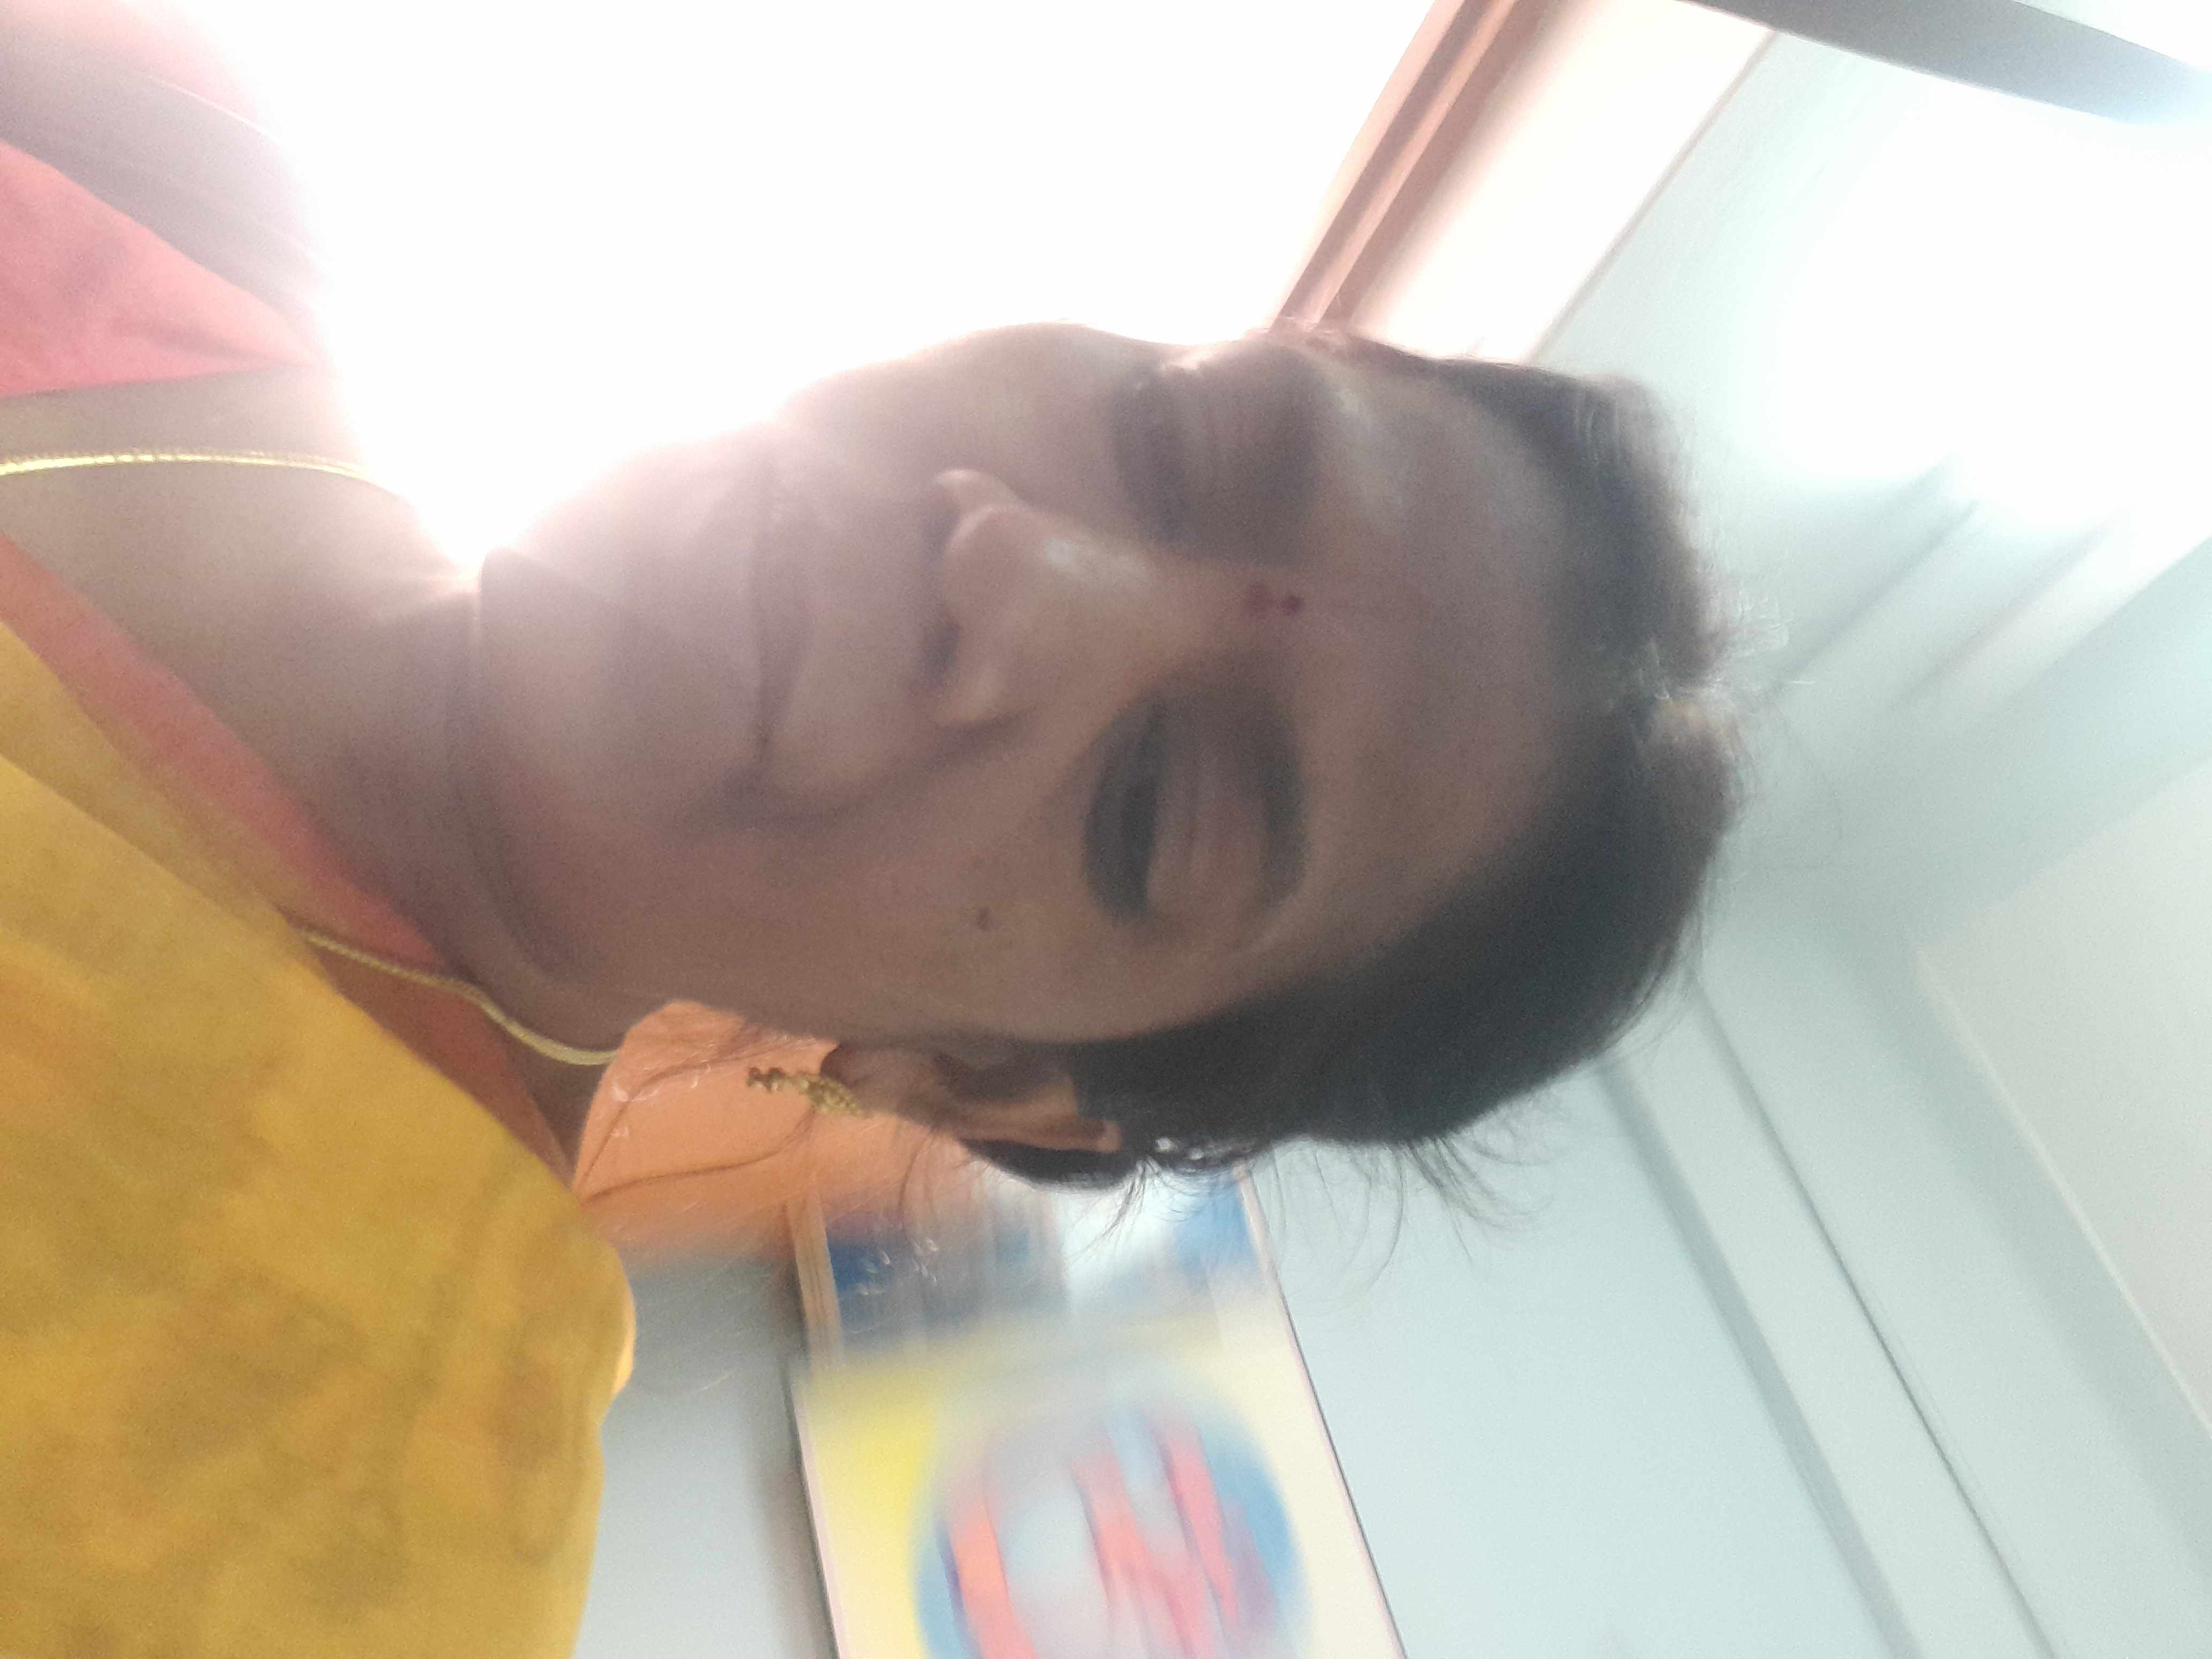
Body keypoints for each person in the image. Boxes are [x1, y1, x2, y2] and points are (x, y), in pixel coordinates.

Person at [0, 3, 1735, 1654]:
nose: (1014, 572)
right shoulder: (158, 137)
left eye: (1153, 808)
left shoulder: (320, 1532)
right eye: (1169, 439)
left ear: (994, 1080)